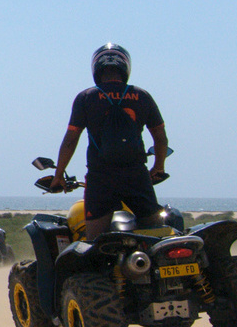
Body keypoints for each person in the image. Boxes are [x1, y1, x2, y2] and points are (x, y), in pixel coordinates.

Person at [49, 43, 168, 240]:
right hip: (136, 174)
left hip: (100, 177)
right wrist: (159, 166)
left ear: (96, 68)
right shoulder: (142, 96)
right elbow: (160, 136)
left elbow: (71, 139)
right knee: (156, 235)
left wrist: (59, 175)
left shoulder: (86, 97)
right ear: (125, 67)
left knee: (95, 242)